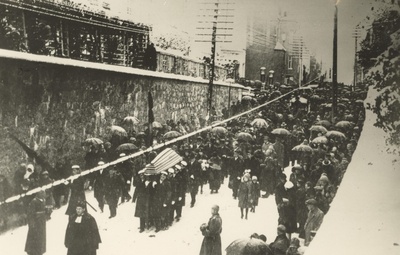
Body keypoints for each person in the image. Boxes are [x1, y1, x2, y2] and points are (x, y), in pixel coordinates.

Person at [25, 191, 46, 255]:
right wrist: (32, 224)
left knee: (41, 239)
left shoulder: (43, 201)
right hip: (35, 224)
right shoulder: (34, 202)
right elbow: (30, 214)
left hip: (41, 224)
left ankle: (40, 251)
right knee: (34, 240)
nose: (43, 193)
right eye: (42, 192)